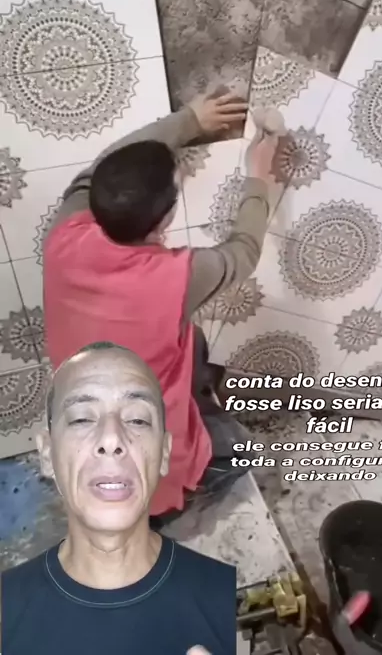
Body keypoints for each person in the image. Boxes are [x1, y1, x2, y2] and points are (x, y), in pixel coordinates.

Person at [43, 91, 278, 523]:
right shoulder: (178, 278)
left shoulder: (65, 231)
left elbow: (104, 164)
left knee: (194, 341)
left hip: (80, 421)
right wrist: (258, 176)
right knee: (237, 452)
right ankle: (169, 507)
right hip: (143, 451)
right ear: (165, 220)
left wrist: (191, 119)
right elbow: (244, 250)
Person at [1, 344, 235, 655]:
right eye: (81, 419)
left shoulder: (224, 595)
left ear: (164, 453)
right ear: (47, 453)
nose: (111, 439)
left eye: (137, 420)